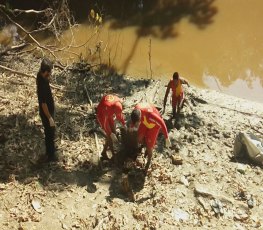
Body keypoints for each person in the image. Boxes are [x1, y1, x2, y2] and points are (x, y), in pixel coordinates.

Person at [130, 103, 171, 173]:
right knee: (139, 138)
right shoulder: (136, 110)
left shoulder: (151, 115)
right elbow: (133, 121)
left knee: (149, 146)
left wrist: (167, 137)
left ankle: (148, 161)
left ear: (139, 117)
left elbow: (162, 123)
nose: (136, 125)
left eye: (137, 123)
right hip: (144, 122)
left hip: (153, 125)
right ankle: (142, 149)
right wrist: (132, 126)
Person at [36, 58, 57, 162]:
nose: (49, 74)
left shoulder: (40, 75)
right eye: (48, 73)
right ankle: (50, 155)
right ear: (44, 71)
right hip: (46, 112)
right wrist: (50, 118)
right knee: (49, 133)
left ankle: (50, 152)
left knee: (51, 132)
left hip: (48, 109)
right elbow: (44, 104)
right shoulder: (42, 86)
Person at [96, 94, 125, 160]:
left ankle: (103, 152)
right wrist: (110, 133)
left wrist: (124, 124)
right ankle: (113, 155)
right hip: (102, 115)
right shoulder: (106, 111)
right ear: (114, 109)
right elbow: (105, 124)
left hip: (109, 112)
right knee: (110, 136)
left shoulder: (118, 101)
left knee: (114, 131)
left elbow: (120, 116)